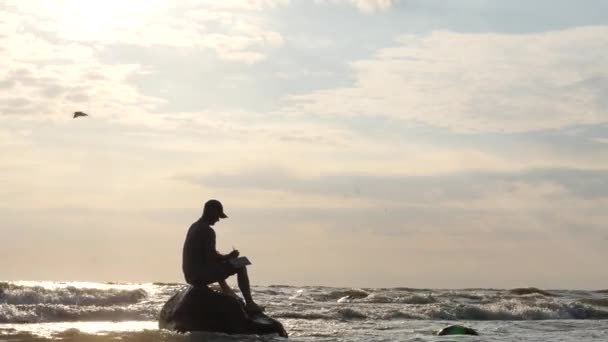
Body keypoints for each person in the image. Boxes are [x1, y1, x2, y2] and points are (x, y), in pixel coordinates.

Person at [182, 199, 263, 313]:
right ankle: (250, 303)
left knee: (220, 264)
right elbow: (211, 257)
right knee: (241, 263)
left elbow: (208, 255)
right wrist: (229, 256)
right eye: (218, 215)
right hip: (199, 276)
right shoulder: (207, 231)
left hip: (190, 275)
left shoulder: (194, 226)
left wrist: (226, 258)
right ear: (211, 212)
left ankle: (227, 291)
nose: (218, 219)